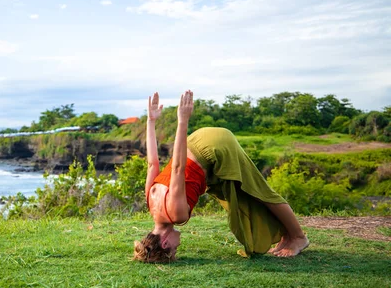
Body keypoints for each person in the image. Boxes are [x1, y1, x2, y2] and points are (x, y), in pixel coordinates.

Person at [133, 90, 310, 263]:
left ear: (165, 243)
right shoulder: (151, 203)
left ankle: (298, 237)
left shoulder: (176, 215)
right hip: (200, 139)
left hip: (211, 148)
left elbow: (179, 168)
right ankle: (286, 234)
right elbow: (152, 164)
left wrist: (183, 121)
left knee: (258, 191)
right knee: (240, 192)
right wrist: (151, 120)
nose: (178, 245)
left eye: (174, 249)